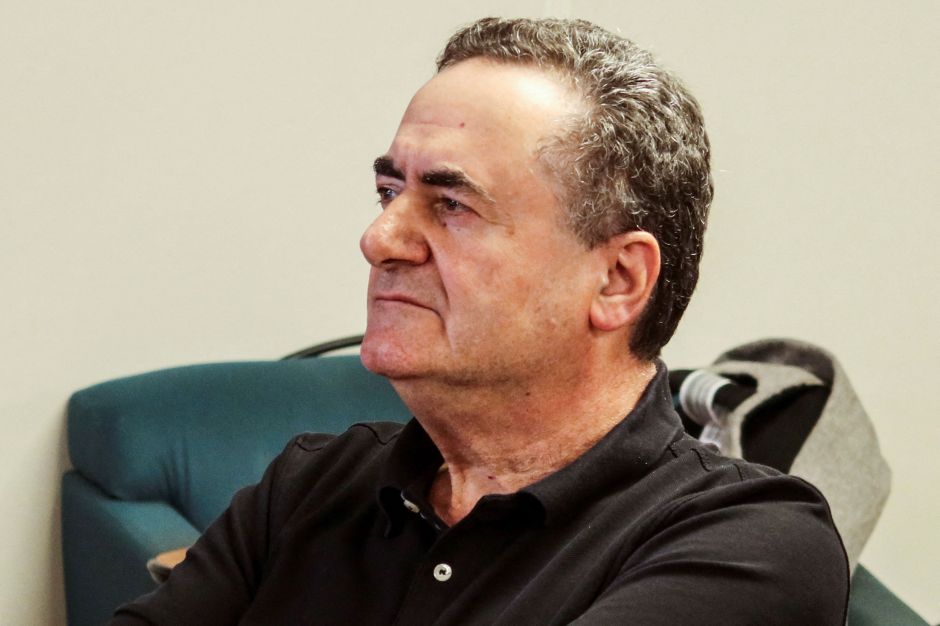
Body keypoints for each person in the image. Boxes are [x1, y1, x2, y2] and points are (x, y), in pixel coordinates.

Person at [113, 17, 849, 625]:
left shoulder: (751, 544)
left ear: (617, 280)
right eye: (388, 192)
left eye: (451, 205)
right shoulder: (311, 484)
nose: (380, 238)